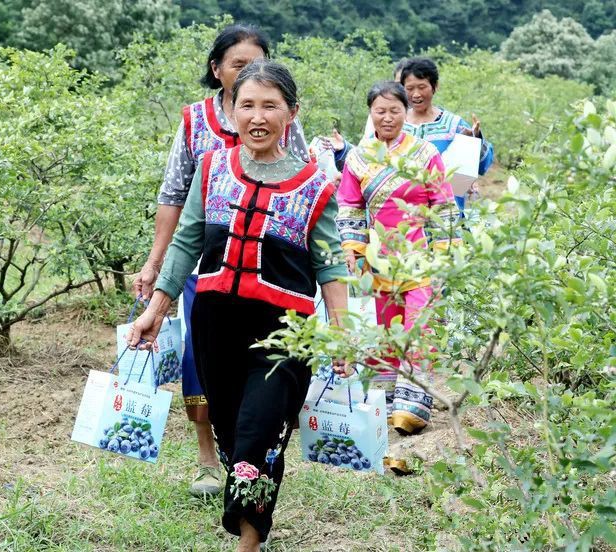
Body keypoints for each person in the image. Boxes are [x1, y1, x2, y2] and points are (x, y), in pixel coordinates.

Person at [129, 59, 348, 552]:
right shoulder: (212, 170)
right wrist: (154, 311)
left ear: (291, 112)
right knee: (231, 432)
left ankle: (247, 542)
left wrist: (343, 331)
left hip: (284, 333)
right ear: (230, 109)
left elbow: (331, 267)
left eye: (270, 105)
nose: (257, 116)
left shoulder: (317, 186)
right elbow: (185, 244)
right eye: (246, 104)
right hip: (215, 324)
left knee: (259, 432)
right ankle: (254, 519)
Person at [132, 24, 309, 498]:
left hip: (267, 272)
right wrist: (156, 263)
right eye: (238, 65)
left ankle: (250, 452)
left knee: (262, 367)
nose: (249, 75)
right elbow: (175, 199)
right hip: (204, 266)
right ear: (217, 70)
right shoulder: (196, 121)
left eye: (257, 65)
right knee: (201, 362)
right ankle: (210, 458)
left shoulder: (279, 115)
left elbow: (304, 190)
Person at [335, 81, 460, 437]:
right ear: (370, 113)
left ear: (406, 112)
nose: (387, 117)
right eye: (380, 111)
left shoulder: (424, 153)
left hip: (419, 257)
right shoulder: (359, 157)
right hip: (378, 261)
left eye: (394, 110)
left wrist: (444, 254)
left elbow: (444, 205)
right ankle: (386, 401)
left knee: (418, 329)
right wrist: (353, 249)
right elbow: (350, 206)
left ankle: (413, 406)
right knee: (385, 331)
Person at [399, 57, 494, 214]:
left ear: (435, 86)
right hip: (403, 212)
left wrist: (475, 140)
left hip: (447, 212)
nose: (415, 94)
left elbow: (482, 166)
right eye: (409, 88)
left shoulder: (454, 125)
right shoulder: (396, 124)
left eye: (422, 87)